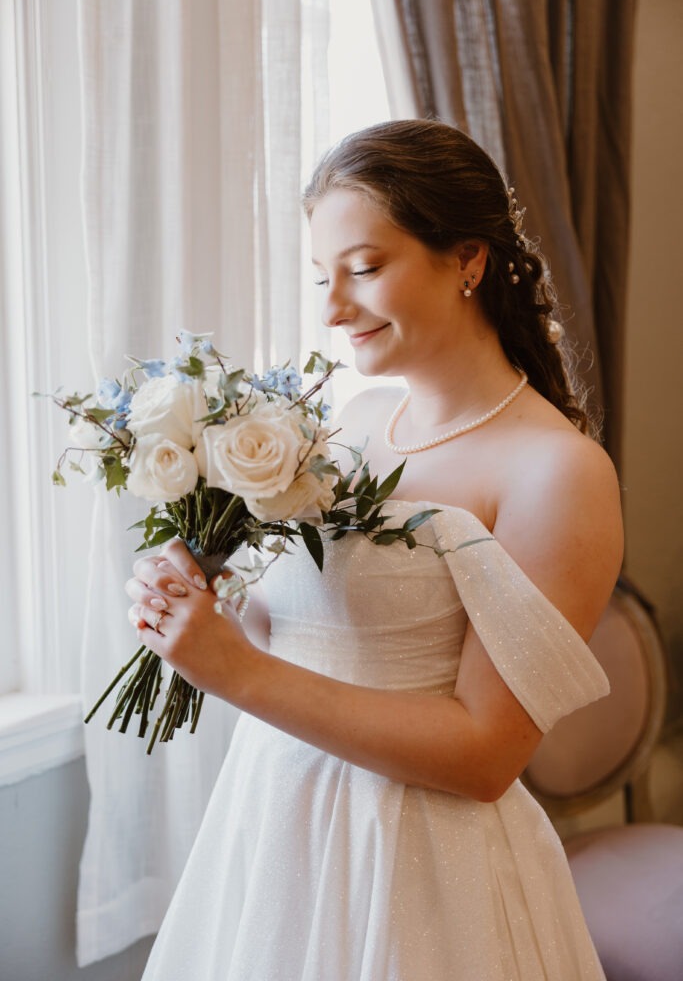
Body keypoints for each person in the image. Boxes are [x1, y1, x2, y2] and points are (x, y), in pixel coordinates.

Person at [128, 119, 623, 980]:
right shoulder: (348, 427)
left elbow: (486, 755)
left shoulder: (556, 473)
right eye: (323, 276)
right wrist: (199, 599)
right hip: (271, 826)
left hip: (421, 869)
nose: (331, 308)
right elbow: (303, 632)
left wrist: (235, 673)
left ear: (467, 259)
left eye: (363, 269)